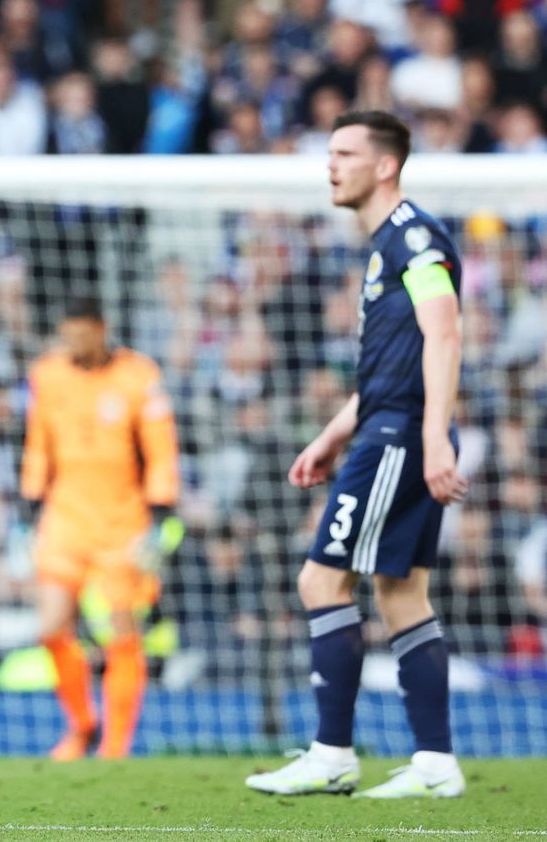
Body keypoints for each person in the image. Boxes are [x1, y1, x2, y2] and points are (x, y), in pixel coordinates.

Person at [247, 111, 467, 799]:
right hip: (390, 425)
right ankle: (435, 764)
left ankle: (332, 751)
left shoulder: (415, 237)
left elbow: (446, 334)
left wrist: (432, 434)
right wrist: (333, 432)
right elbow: (390, 367)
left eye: (344, 152)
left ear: (385, 165)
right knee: (401, 592)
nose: (330, 164)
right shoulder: (384, 247)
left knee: (321, 581)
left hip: (402, 435)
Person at [20, 296, 181, 760]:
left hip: (122, 521)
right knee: (50, 626)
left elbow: (160, 447)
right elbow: (38, 443)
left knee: (122, 632)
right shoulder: (48, 375)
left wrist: (161, 508)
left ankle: (115, 746)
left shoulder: (139, 376)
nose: (72, 342)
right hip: (65, 515)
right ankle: (83, 723)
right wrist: (27, 504)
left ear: (100, 329)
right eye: (65, 333)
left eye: (80, 332)